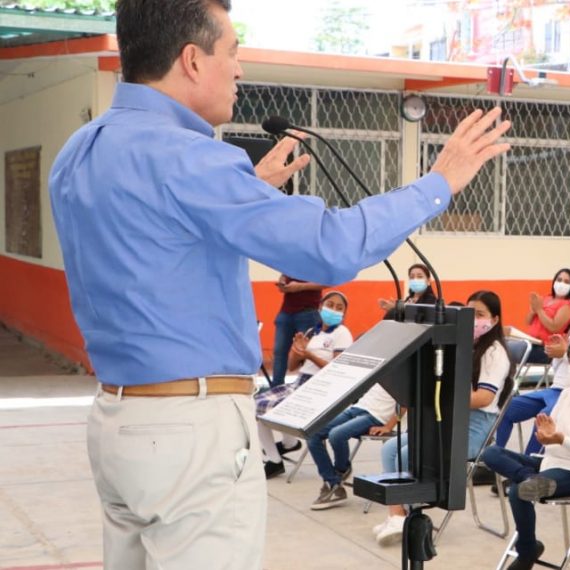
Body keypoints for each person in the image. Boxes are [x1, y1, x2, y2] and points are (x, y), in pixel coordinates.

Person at [50, 0, 510, 566]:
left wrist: (249, 190)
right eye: (232, 52)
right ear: (192, 60)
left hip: (117, 420)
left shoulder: (80, 150)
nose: (239, 70)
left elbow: (157, 240)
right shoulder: (190, 159)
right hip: (190, 429)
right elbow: (332, 247)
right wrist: (439, 183)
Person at [374, 290, 515, 544]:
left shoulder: (495, 352)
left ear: (494, 319)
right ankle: (398, 515)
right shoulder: (464, 343)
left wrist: (442, 394)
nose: (474, 320)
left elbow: (483, 398)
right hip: (450, 416)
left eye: (480, 314)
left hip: (475, 426)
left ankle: (407, 518)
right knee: (389, 449)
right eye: (470, 313)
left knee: (408, 454)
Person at [481, 338, 570, 570]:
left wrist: (561, 439)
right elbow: (552, 432)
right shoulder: (566, 394)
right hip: (548, 462)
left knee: (520, 491)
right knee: (491, 453)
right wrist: (545, 436)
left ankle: (527, 552)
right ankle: (528, 477)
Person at [496, 287, 570, 454]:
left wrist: (565, 353)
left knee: (545, 417)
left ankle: (531, 462)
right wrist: (556, 353)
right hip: (554, 388)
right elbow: (558, 369)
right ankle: (495, 453)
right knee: (506, 408)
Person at [257, 291, 352, 478]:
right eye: (330, 305)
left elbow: (337, 369)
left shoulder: (342, 334)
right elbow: (292, 367)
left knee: (270, 409)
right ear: (320, 307)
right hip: (300, 382)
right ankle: (280, 453)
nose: (333, 310)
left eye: (339, 308)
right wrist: (297, 350)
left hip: (319, 388)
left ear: (344, 313)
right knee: (258, 406)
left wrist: (310, 355)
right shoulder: (312, 332)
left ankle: (281, 453)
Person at [306, 381, 401, 510]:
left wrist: (389, 426)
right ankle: (332, 481)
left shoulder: (402, 372)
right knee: (312, 434)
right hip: (358, 408)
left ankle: (339, 474)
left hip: (376, 416)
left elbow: (405, 404)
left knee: (336, 435)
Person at [270, 275, 324, 387]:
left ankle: (306, 385)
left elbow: (327, 282)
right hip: (286, 311)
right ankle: (276, 387)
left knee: (308, 352)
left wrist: (300, 286)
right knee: (279, 352)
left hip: (308, 312)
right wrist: (282, 282)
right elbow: (284, 276)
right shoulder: (291, 265)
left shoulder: (318, 264)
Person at [522, 269, 570, 363]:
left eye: (566, 282)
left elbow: (554, 327)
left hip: (546, 349)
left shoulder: (567, 305)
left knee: (509, 352)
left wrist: (539, 310)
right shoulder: (546, 298)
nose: (561, 283)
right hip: (531, 343)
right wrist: (533, 310)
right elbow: (528, 322)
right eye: (559, 280)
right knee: (507, 346)